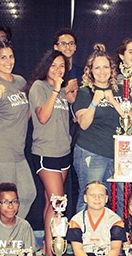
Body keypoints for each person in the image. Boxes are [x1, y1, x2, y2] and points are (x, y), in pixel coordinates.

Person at [72, 43, 132, 218]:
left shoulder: (120, 90)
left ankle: (114, 239)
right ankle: (82, 240)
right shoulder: (85, 92)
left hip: (119, 156)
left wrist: (114, 102)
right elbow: (83, 124)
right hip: (92, 152)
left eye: (106, 67)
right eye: (97, 68)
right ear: (90, 71)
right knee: (91, 197)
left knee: (119, 201)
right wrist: (95, 101)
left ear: (112, 69)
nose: (102, 71)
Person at [23, 49, 74, 256]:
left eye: (62, 66)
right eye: (53, 65)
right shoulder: (39, 87)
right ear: (46, 66)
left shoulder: (61, 90)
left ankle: (48, 246)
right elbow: (42, 117)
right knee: (57, 204)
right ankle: (52, 255)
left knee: (50, 203)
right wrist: (55, 90)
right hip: (46, 153)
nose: (58, 69)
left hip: (63, 152)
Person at [0, 40, 36, 220]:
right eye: (3, 57)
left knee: (27, 194)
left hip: (17, 151)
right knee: (7, 201)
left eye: (10, 56)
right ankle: (0, 239)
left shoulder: (20, 81)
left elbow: (25, 113)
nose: (8, 61)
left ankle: (11, 235)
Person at [61, 181, 128, 256]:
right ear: (85, 198)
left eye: (101, 195)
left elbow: (115, 248)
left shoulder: (115, 220)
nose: (97, 199)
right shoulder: (76, 220)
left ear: (106, 199)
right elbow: (77, 249)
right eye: (92, 195)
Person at [53, 27, 83, 219]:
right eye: (63, 43)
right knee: (57, 187)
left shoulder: (81, 71)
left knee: (76, 181)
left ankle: (75, 224)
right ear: (56, 46)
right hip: (56, 133)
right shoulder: (51, 72)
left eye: (71, 43)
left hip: (79, 131)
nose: (67, 47)